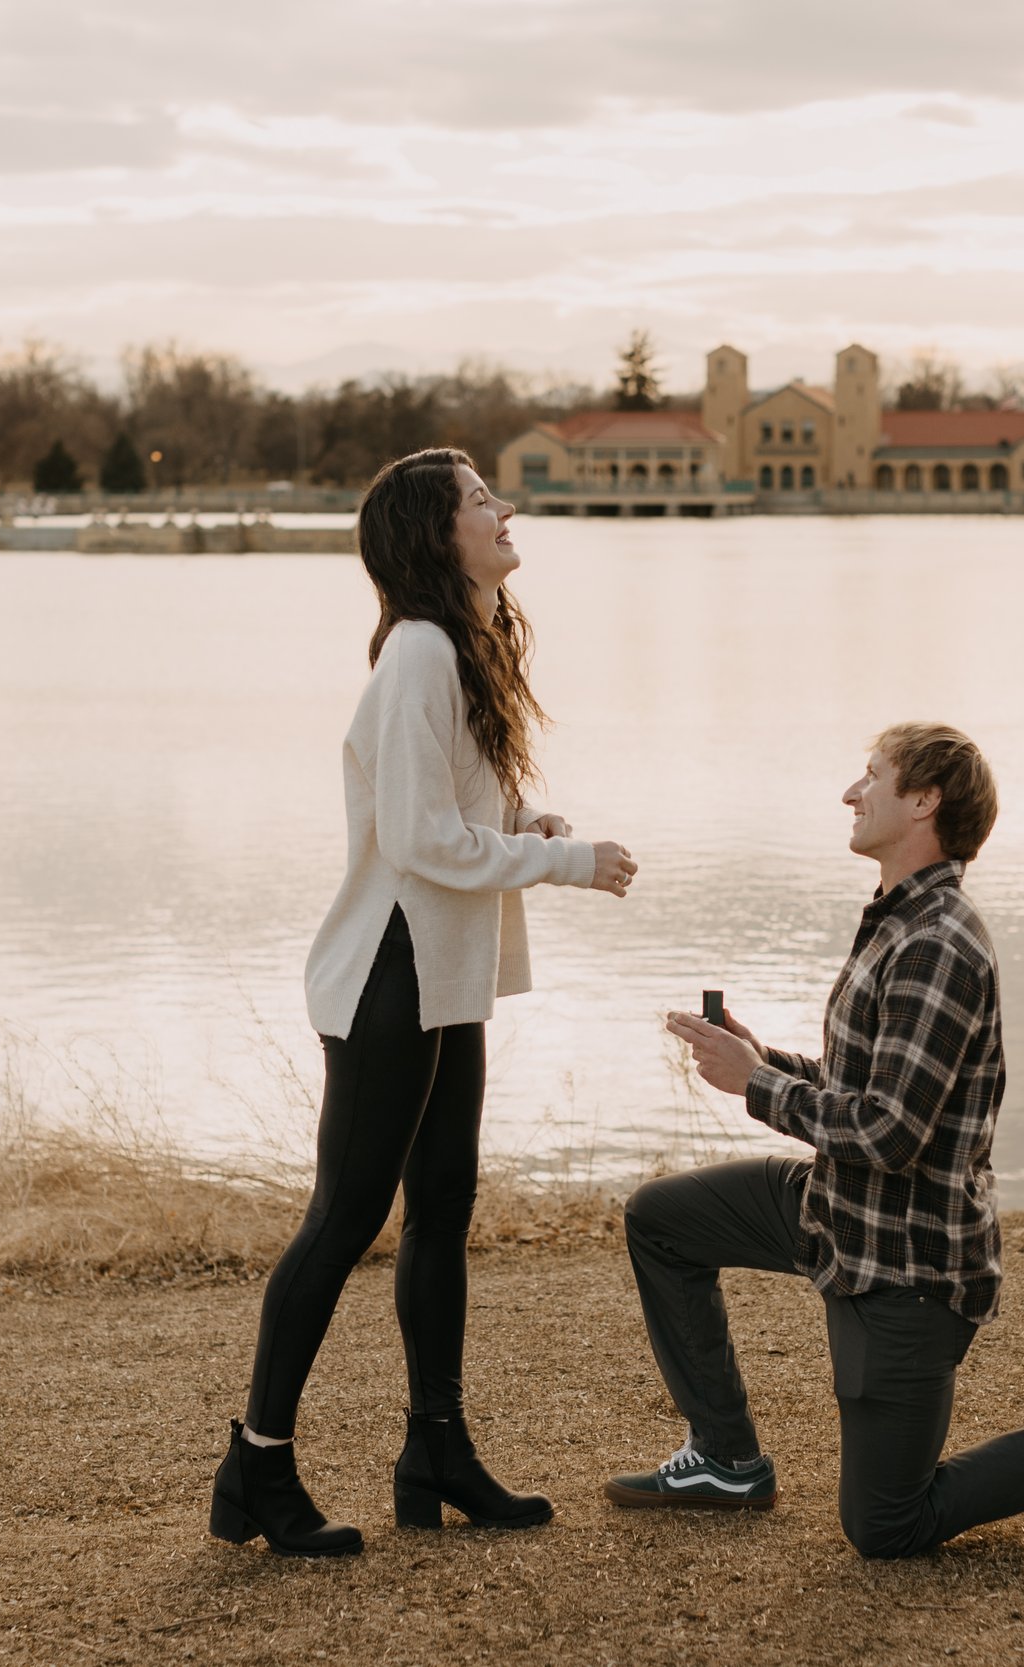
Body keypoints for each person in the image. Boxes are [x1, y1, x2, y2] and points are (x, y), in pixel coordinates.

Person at [209, 448, 639, 1558]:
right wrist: (569, 860)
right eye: (479, 500)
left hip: (443, 973)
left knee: (442, 1203)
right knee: (347, 1215)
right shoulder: (414, 654)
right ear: (432, 534)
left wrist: (527, 825)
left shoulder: (460, 646)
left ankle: (435, 1450)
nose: (503, 511)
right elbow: (416, 840)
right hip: (387, 973)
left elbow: (452, 810)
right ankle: (255, 1462)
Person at [607, 723, 1024, 1558]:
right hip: (838, 1207)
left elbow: (890, 1130)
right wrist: (766, 1058)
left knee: (886, 1524)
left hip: (908, 1261)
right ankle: (726, 1460)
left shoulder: (940, 941)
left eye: (870, 776)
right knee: (661, 1218)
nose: (849, 792)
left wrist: (754, 1084)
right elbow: (862, 1083)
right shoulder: (897, 918)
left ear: (923, 800)